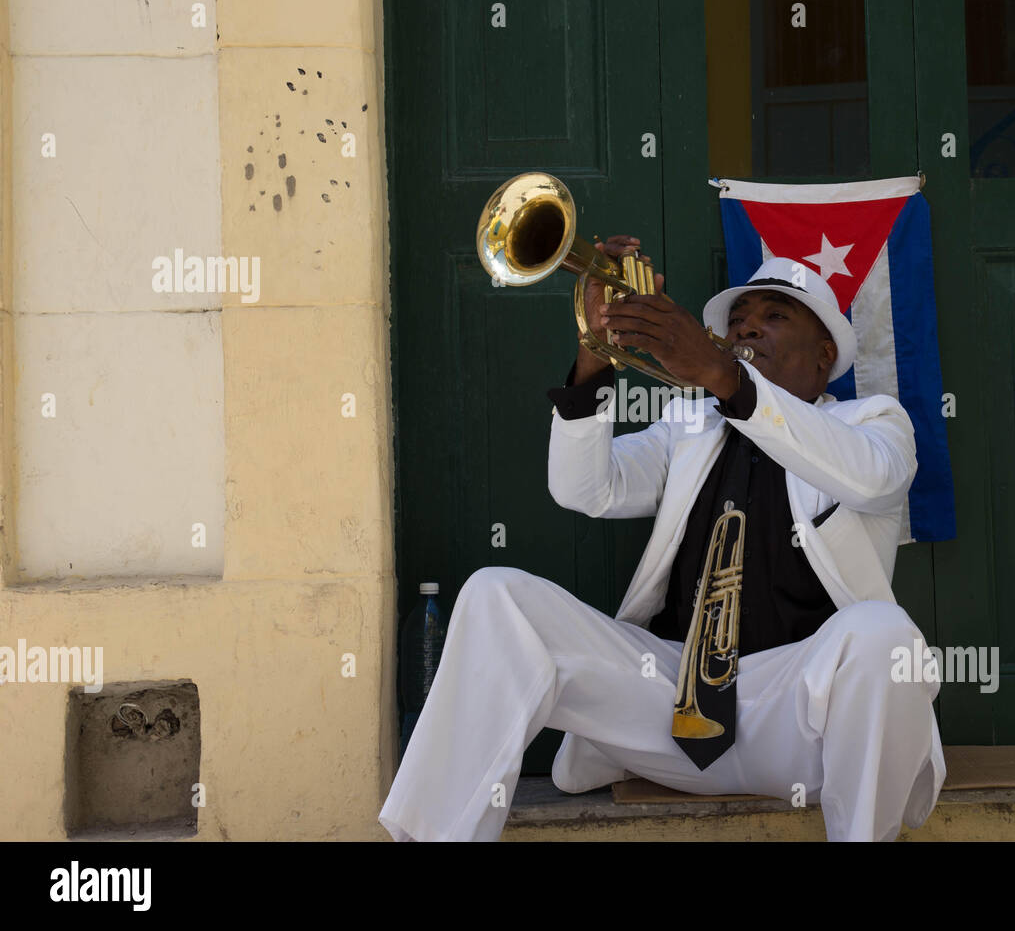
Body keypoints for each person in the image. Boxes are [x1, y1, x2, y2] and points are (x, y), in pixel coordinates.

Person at [379, 237, 945, 841]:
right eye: (739, 323)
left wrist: (727, 377)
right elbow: (587, 489)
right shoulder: (688, 427)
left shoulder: (873, 422)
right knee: (496, 595)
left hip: (806, 724)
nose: (749, 331)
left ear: (825, 353)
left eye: (774, 317)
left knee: (886, 638)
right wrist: (594, 354)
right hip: (669, 711)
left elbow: (870, 477)